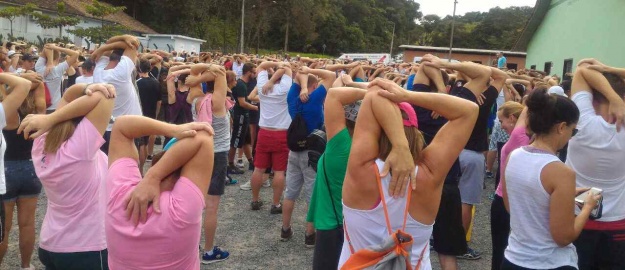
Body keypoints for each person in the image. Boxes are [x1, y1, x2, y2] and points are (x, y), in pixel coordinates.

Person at [339, 78, 478, 269]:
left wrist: (399, 145)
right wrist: (408, 96)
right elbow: (469, 110)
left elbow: (375, 94)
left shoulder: (361, 169)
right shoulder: (430, 173)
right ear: (416, 132)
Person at [17, 83, 115, 269]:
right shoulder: (80, 150)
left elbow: (69, 96)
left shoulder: (42, 141)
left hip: (51, 243)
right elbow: (105, 97)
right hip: (85, 247)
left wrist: (88, 87)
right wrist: (52, 117)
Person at [501, 89, 601, 270]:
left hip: (513, 258)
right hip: (549, 263)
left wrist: (563, 197)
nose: (572, 135)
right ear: (562, 127)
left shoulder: (513, 156)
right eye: (574, 130)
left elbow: (512, 206)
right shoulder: (561, 172)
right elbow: (563, 237)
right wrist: (587, 207)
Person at [424, 54, 508, 259]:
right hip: (472, 154)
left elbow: (460, 73)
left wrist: (449, 66)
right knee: (465, 201)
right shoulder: (485, 96)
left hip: (450, 150)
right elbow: (501, 76)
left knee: (442, 194)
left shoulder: (454, 94)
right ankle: (460, 245)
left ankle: (437, 237)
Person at [105, 116, 214, 270]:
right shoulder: (182, 213)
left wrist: (174, 130)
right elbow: (203, 137)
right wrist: (154, 175)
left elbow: (121, 126)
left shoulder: (119, 195)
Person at [567, 59, 625, 270]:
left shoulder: (582, 123)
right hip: (618, 224)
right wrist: (609, 69)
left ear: (591, 99)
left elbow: (582, 71)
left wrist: (611, 95)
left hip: (578, 220)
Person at [409, 62, 468, 270]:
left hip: (416, 182)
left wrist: (440, 89)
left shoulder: (416, 106)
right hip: (447, 182)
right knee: (447, 253)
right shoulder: (459, 110)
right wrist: (445, 95)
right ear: (448, 89)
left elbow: (424, 65)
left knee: (408, 248)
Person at [307, 83, 366, 270]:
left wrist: (370, 91)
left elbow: (334, 94)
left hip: (332, 226)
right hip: (352, 224)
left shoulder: (341, 145)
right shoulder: (364, 146)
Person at [280, 66, 335, 246]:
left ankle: (285, 229)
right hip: (312, 152)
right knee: (312, 195)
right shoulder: (315, 99)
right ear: (314, 86)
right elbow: (332, 75)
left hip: (294, 151)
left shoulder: (292, 99)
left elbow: (297, 77)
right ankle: (309, 234)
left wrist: (302, 85)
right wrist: (311, 70)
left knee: (290, 193)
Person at [0, 74, 34, 269]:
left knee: (4, 229)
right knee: (28, 224)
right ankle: (26, 265)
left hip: (6, 170)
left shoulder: (7, 114)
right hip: (30, 169)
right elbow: (27, 85)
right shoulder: (33, 110)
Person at [250, 61, 293, 213]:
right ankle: (275, 204)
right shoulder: (285, 89)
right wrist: (282, 65)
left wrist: (271, 73)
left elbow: (260, 65)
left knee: (258, 169)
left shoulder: (262, 87)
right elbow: (287, 68)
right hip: (281, 133)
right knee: (280, 171)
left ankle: (255, 200)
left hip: (264, 132)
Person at [490, 102, 526, 270]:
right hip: (518, 200)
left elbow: (529, 103)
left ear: (512, 118)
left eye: (501, 120)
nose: (501, 125)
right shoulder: (530, 136)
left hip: (504, 199)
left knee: (500, 248)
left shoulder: (519, 135)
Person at [91, 35, 142, 154]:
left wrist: (102, 48)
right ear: (122, 60)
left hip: (104, 129)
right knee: (126, 166)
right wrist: (125, 38)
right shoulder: (121, 74)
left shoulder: (98, 72)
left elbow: (107, 43)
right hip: (127, 129)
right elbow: (133, 45)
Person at [228, 63, 257, 175]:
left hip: (244, 116)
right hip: (240, 116)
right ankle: (230, 164)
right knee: (235, 140)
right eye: (254, 72)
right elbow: (242, 103)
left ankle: (251, 161)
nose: (255, 75)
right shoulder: (241, 85)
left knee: (245, 140)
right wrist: (255, 107)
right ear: (249, 72)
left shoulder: (243, 84)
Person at [35, 43, 79, 112]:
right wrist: (57, 48)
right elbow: (76, 54)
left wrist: (49, 62)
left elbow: (46, 46)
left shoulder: (38, 67)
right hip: (55, 107)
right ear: (58, 57)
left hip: (40, 107)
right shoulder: (58, 69)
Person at [136, 58, 162, 172]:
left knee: (141, 143)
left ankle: (140, 168)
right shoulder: (156, 82)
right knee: (146, 142)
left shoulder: (137, 83)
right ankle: (142, 165)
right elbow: (159, 101)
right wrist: (156, 114)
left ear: (138, 69)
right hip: (151, 113)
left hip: (139, 114)